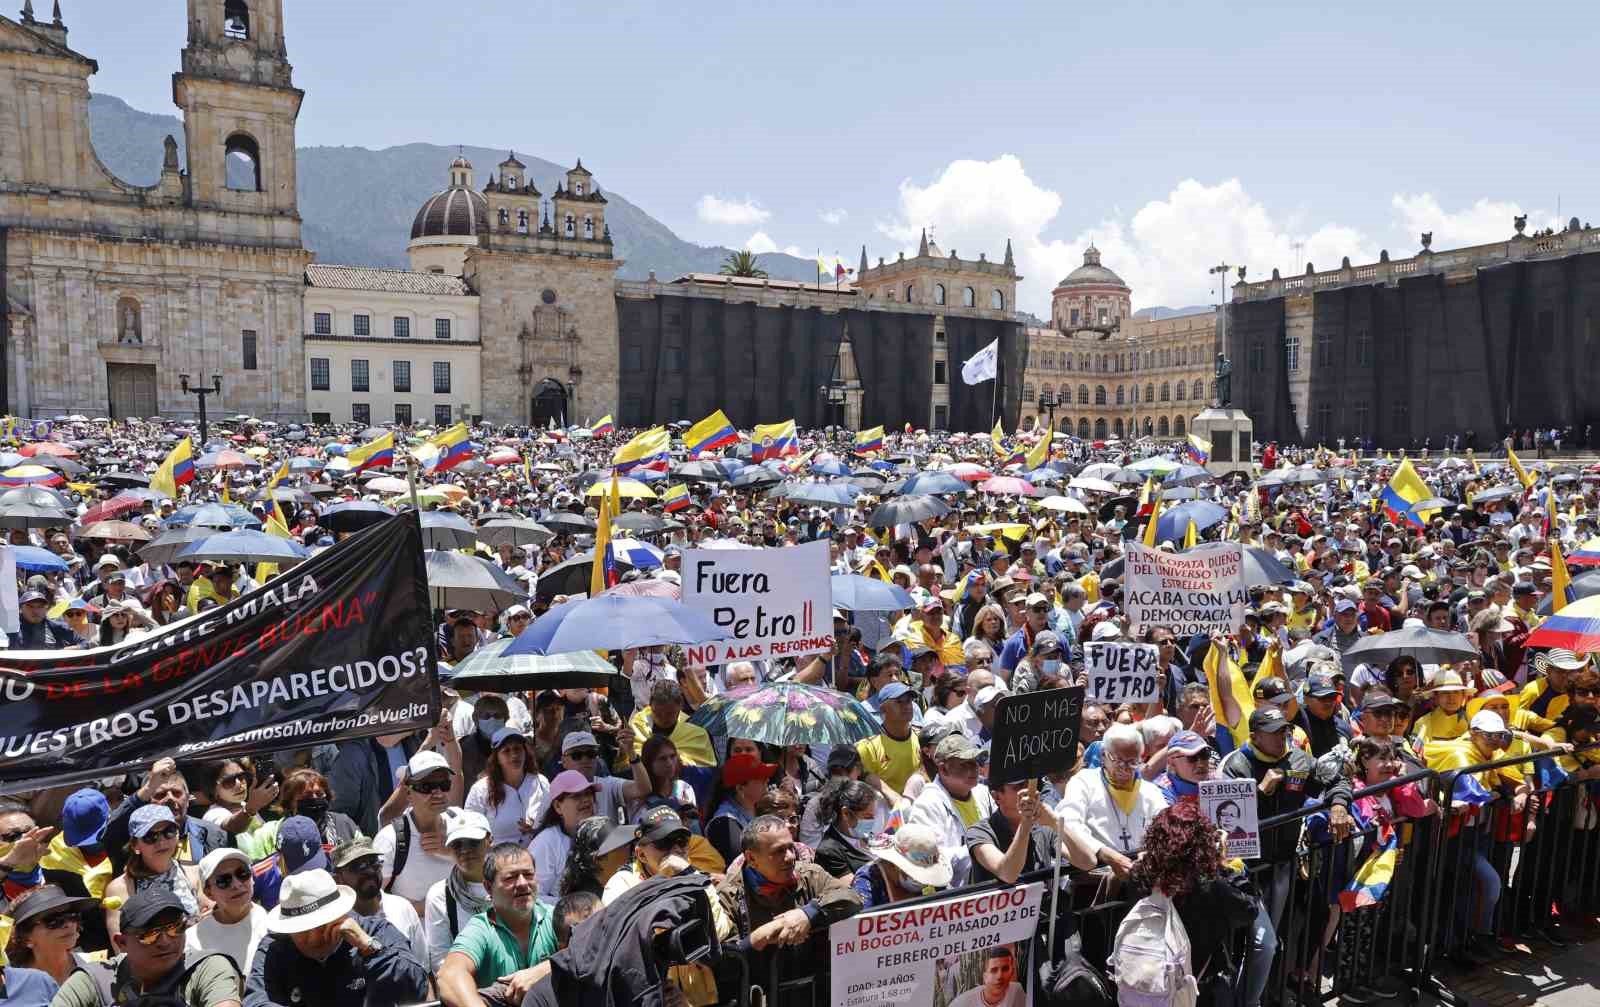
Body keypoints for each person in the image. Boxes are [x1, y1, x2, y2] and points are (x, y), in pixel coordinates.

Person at [1124, 804, 1257, 1007]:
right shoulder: (1210, 885)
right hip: (1199, 990)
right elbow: (1249, 909)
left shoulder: (1140, 876)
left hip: (1146, 985)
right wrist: (1223, 866)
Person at [246, 869, 428, 1007]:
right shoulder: (275, 949)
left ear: (340, 915)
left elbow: (417, 989)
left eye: (320, 926)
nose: (313, 938)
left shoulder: (376, 931)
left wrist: (369, 948)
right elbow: (257, 1001)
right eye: (300, 930)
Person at [713, 816, 863, 985]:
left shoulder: (809, 875)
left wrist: (808, 913)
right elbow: (724, 961)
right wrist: (758, 938)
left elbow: (852, 897)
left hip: (810, 986)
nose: (791, 856)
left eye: (791, 847)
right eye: (779, 851)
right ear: (752, 858)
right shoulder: (727, 895)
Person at [51, 887, 240, 1007]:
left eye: (175, 929)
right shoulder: (96, 979)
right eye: (150, 934)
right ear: (122, 943)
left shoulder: (206, 967)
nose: (165, 941)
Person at [435, 843, 559, 1007]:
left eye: (528, 874)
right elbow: (449, 975)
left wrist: (544, 970)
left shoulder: (555, 918)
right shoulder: (481, 929)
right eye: (510, 877)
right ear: (488, 887)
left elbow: (590, 952)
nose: (522, 883)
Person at [1056, 722, 1168, 879]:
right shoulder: (1084, 781)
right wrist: (1104, 852)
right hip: (1096, 876)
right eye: (1117, 759)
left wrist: (1151, 852)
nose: (1124, 767)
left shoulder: (1150, 790)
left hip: (1141, 874)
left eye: (1132, 762)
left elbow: (1165, 826)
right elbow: (1069, 823)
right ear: (1103, 755)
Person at [103, 759, 229, 876]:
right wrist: (148, 788)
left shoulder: (212, 834)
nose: (169, 799)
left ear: (189, 799)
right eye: (160, 794)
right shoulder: (134, 836)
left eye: (176, 793)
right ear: (147, 801)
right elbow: (108, 835)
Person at [103, 805, 205, 944]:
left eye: (168, 832)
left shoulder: (193, 873)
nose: (161, 841)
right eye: (150, 836)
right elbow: (122, 947)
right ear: (135, 845)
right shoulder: (120, 888)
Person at [373, 751, 458, 915]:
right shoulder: (389, 839)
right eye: (427, 787)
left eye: (444, 785)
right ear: (408, 793)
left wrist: (454, 852)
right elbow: (374, 902)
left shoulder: (464, 823)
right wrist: (426, 908)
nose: (438, 794)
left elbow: (489, 876)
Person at [906, 734, 996, 887]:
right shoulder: (927, 805)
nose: (974, 769)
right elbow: (930, 859)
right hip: (956, 897)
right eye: (964, 764)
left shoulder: (984, 793)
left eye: (975, 762)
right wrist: (981, 850)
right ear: (943, 769)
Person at [327, 836, 429, 968]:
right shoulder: (335, 921)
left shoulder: (402, 907)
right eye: (358, 866)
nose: (369, 871)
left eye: (374, 862)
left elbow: (424, 968)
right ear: (338, 879)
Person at [423, 809, 493, 971]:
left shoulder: (511, 883)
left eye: (473, 842)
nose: (465, 850)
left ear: (490, 840)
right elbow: (440, 957)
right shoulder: (439, 895)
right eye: (457, 844)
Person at [966, 778, 1060, 886]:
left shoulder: (1044, 824)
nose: (1029, 791)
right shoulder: (978, 832)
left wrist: (1056, 822)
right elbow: (1007, 874)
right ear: (997, 797)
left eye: (1030, 785)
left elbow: (1082, 860)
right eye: (1019, 787)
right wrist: (1026, 822)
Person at [464, 727, 549, 845]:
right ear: (497, 758)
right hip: (496, 859)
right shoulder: (480, 790)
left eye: (517, 749)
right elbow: (469, 829)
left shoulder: (541, 782)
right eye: (506, 751)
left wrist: (535, 830)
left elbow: (551, 823)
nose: (514, 754)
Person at [193, 849, 269, 977]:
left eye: (242, 874)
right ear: (208, 893)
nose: (236, 884)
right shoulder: (193, 940)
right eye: (223, 881)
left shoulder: (272, 926)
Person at [2, 884, 96, 986]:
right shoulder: (10, 985)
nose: (68, 924)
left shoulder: (95, 966)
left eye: (73, 915)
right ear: (26, 939)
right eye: (54, 920)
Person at [526, 771, 598, 903]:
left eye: (588, 793)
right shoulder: (545, 843)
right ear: (558, 806)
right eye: (576, 796)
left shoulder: (600, 831)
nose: (586, 800)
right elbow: (533, 896)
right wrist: (572, 907)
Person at [850, 824, 952, 908]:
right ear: (895, 865)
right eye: (915, 876)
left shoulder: (936, 881)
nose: (922, 882)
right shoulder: (868, 881)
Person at [704, 752, 776, 864]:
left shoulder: (759, 808)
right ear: (740, 789)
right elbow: (743, 867)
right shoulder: (724, 824)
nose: (767, 780)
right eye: (761, 778)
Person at [856, 682, 920, 807]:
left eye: (908, 701)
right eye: (899, 702)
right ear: (882, 708)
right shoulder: (867, 747)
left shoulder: (922, 739)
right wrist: (888, 793)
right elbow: (863, 777)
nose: (906, 706)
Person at [627, 681, 717, 767]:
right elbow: (628, 761)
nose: (663, 718)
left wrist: (680, 762)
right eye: (657, 713)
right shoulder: (637, 724)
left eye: (670, 713)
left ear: (680, 706)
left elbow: (708, 770)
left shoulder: (697, 733)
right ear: (650, 705)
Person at [811, 779, 880, 880]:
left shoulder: (863, 836)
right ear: (846, 813)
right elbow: (855, 890)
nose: (872, 821)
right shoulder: (829, 852)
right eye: (867, 816)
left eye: (873, 816)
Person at [555, 817, 636, 900]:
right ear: (598, 860)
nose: (628, 852)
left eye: (626, 845)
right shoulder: (591, 904)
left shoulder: (622, 883)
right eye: (619, 848)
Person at [948, 946, 1026, 1007]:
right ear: (985, 976)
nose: (1000, 976)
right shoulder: (962, 1003)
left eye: (1005, 969)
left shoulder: (1017, 990)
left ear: (1012, 971)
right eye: (994, 970)